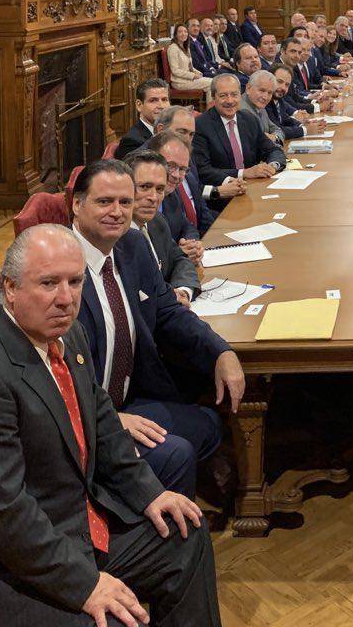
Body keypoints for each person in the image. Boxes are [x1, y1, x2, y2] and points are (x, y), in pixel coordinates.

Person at [0, 224, 222, 627]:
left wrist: (149, 493)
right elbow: (4, 515)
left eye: (75, 282)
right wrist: (86, 585)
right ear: (10, 289)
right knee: (112, 620)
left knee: (185, 537)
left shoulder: (66, 335)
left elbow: (101, 420)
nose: (66, 299)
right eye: (48, 283)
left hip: (69, 531)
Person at [70, 160, 244, 497]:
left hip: (130, 396)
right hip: (82, 417)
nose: (117, 212)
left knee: (208, 425)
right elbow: (49, 370)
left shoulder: (132, 246)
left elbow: (168, 312)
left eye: (125, 202)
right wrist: (107, 419)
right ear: (77, 204)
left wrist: (220, 350)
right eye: (104, 202)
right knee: (176, 453)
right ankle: (151, 536)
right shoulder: (59, 267)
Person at [193, 73, 286, 209]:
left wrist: (272, 166)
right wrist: (244, 173)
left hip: (252, 191)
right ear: (213, 97)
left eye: (234, 94)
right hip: (221, 200)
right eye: (223, 96)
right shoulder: (200, 125)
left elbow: (273, 149)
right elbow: (203, 170)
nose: (230, 101)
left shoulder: (248, 119)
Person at [123, 150, 199, 304]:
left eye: (159, 189)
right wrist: (170, 299)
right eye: (145, 187)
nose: (153, 198)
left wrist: (183, 291)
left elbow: (180, 259)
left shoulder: (157, 221)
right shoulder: (114, 235)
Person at [149, 125, 235, 237]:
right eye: (170, 166)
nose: (176, 175)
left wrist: (192, 243)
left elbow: (187, 226)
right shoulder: (144, 198)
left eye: (182, 169)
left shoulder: (172, 193)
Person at [114, 79, 170, 159]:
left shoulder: (174, 131)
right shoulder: (131, 141)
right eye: (153, 100)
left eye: (164, 100)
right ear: (139, 105)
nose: (161, 106)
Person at [268, 63, 325, 139]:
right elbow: (277, 130)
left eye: (287, 85)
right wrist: (305, 130)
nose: (283, 88)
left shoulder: (278, 98)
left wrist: (302, 124)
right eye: (279, 81)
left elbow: (285, 119)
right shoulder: (265, 102)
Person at [240, 69, 286, 144]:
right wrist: (268, 139)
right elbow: (258, 142)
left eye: (269, 93)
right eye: (262, 91)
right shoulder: (241, 110)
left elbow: (278, 130)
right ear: (248, 88)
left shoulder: (260, 106)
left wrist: (275, 137)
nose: (265, 97)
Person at [166, 24, 212, 98]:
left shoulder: (186, 47)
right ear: (175, 35)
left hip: (189, 80)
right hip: (180, 82)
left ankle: (210, 107)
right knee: (212, 83)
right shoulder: (173, 48)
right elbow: (175, 70)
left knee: (212, 86)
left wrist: (198, 73)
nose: (183, 34)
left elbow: (190, 66)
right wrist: (193, 76)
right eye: (180, 32)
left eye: (185, 32)